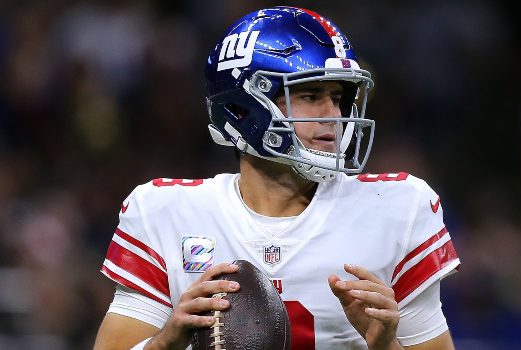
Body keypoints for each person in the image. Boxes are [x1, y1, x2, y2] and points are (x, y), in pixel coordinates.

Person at [93, 6, 460, 350]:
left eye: (338, 97)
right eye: (310, 95)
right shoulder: (165, 211)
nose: (333, 115)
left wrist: (384, 346)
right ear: (242, 107)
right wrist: (166, 342)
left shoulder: (397, 208)